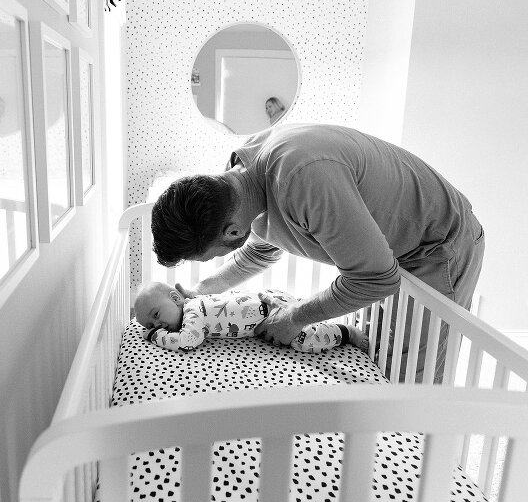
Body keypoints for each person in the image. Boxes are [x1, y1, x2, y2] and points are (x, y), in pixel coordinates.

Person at [150, 124, 485, 382]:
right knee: (374, 351)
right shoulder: (237, 184)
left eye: (211, 255)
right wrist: (205, 290)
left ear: (232, 232)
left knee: (410, 374)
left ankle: (418, 462)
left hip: (438, 243)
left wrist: (295, 317)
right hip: (390, 252)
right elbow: (261, 251)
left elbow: (376, 279)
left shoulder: (302, 178)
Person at [133, 281, 368, 353]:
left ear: (176, 299)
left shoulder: (193, 311)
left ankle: (345, 332)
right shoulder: (197, 303)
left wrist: (155, 335)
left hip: (273, 311)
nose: (158, 324)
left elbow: (187, 341)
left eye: (156, 315)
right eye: (152, 324)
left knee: (303, 340)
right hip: (268, 300)